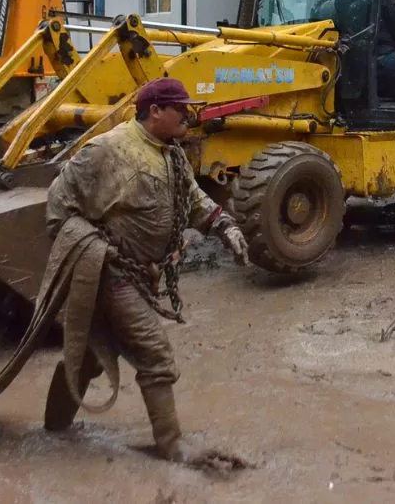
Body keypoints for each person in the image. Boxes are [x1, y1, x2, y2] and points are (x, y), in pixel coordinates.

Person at [43, 77, 250, 465]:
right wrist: (94, 252)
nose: (188, 116)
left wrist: (227, 226)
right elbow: (58, 208)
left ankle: (53, 432)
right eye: (181, 109)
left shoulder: (172, 153)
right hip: (110, 274)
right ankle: (172, 446)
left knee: (90, 356)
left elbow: (193, 199)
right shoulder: (107, 150)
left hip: (142, 277)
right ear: (155, 110)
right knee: (155, 355)